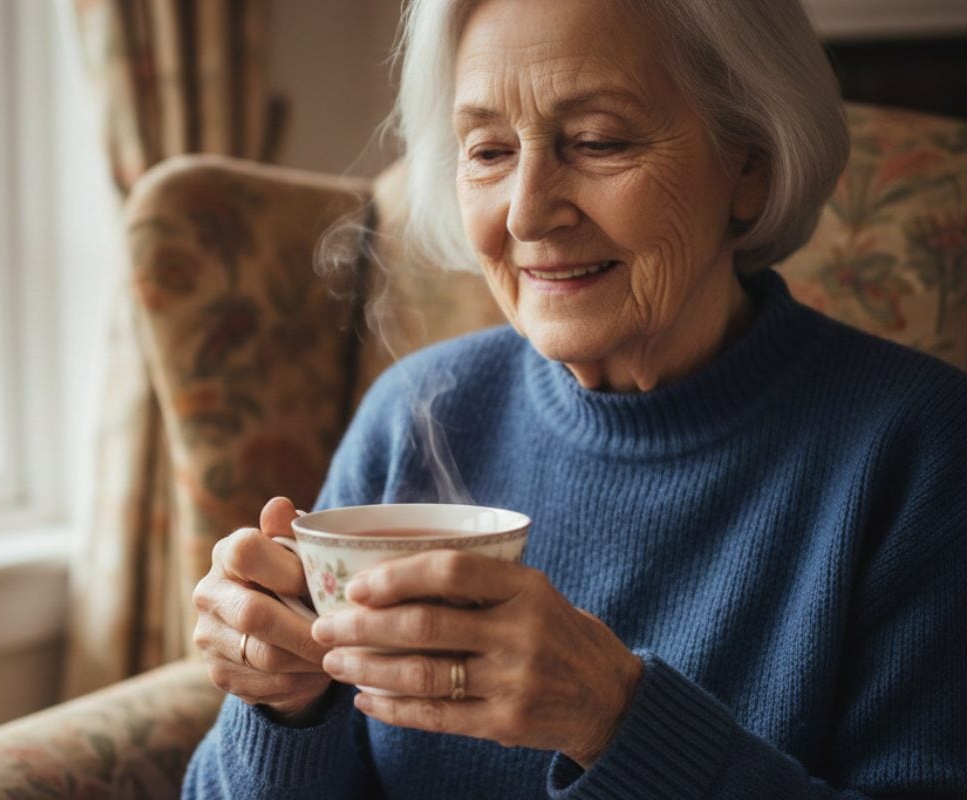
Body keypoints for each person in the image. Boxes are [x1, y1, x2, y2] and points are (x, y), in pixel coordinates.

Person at [184, 0, 967, 796]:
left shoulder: (921, 449)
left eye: (598, 142)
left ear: (750, 165)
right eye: (487, 150)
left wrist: (616, 720)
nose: (527, 211)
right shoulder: (415, 412)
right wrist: (281, 703)